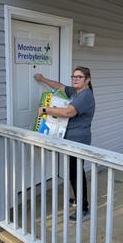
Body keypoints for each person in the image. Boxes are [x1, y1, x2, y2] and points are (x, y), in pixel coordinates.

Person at [34, 66, 95, 222]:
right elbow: (59, 86)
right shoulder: (76, 92)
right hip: (70, 140)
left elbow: (69, 112)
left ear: (87, 80)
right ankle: (78, 199)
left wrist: (45, 109)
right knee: (74, 171)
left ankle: (84, 208)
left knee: (76, 173)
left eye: (79, 77)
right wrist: (43, 79)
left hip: (78, 141)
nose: (75, 79)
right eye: (73, 76)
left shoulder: (86, 95)